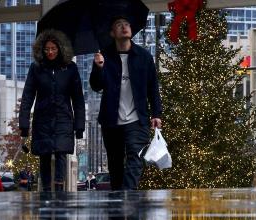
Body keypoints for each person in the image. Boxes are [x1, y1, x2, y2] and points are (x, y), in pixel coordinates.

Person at [90, 15, 163, 191]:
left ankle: (127, 196)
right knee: (115, 165)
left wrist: (157, 114)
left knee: (135, 158)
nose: (124, 27)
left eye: (126, 24)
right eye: (119, 25)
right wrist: (99, 68)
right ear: (112, 33)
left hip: (137, 119)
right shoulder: (104, 56)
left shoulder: (143, 57)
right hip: (111, 120)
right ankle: (117, 207)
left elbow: (153, 87)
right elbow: (96, 85)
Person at [19, 29, 85, 192]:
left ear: (60, 49)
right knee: (45, 154)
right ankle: (47, 191)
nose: (50, 52)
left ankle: (60, 188)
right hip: (43, 118)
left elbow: (78, 98)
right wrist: (24, 125)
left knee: (61, 152)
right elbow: (27, 96)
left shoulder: (70, 68)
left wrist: (79, 126)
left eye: (53, 49)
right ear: (41, 49)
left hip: (64, 117)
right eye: (47, 49)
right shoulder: (36, 69)